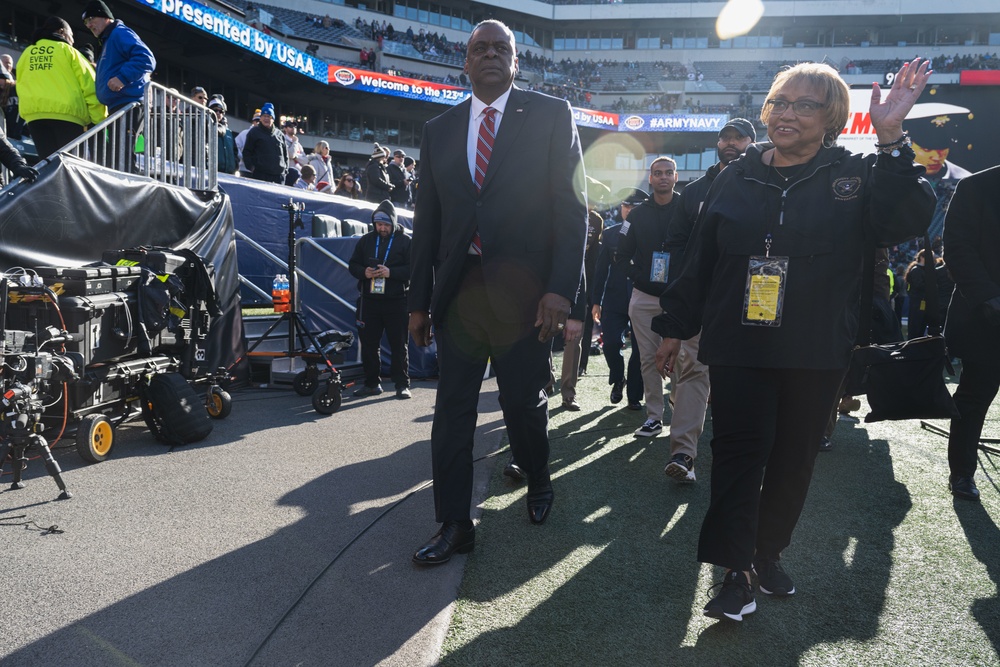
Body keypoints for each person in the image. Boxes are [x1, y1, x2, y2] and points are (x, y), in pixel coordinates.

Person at [653, 59, 935, 622]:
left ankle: (767, 552)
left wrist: (892, 136)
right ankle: (734, 573)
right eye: (780, 102)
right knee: (736, 454)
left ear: (830, 117)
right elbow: (701, 257)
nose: (787, 114)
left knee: (793, 457)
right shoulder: (735, 175)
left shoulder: (854, 174)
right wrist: (673, 327)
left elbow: (907, 217)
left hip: (815, 348)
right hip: (739, 344)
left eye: (805, 105)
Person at [408, 19, 587, 564]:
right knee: (452, 412)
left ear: (515, 61)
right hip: (459, 293)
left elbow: (572, 209)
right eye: (478, 48)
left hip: (526, 295)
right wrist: (418, 300)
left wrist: (560, 290)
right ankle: (455, 523)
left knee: (521, 402)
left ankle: (537, 476)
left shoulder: (551, 115)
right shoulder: (439, 129)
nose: (489, 54)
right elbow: (429, 223)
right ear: (464, 63)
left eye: (500, 47)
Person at [660, 118, 755, 482]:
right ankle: (683, 454)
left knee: (743, 377)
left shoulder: (764, 182)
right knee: (694, 371)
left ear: (752, 141)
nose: (731, 143)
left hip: (750, 300)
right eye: (725, 137)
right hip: (703, 299)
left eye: (739, 137)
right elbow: (675, 243)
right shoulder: (696, 190)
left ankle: (739, 456)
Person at [942, 165, 1000, 502]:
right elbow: (957, 247)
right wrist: (986, 297)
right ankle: (961, 473)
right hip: (987, 317)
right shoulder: (975, 186)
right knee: (974, 398)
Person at [615, 156, 680, 438]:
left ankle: (680, 410)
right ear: (650, 179)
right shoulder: (637, 214)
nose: (663, 177)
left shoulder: (689, 210)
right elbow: (621, 256)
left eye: (668, 172)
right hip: (644, 297)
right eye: (657, 173)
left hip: (680, 298)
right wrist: (640, 278)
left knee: (684, 358)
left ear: (676, 177)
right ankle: (654, 416)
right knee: (647, 357)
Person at [15, 16, 107, 160]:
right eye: (71, 35)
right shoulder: (69, 52)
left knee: (50, 168)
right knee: (74, 168)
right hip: (68, 119)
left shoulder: (26, 54)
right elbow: (90, 87)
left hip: (35, 119)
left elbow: (20, 84)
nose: (73, 40)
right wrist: (99, 121)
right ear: (62, 32)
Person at [349, 200, 412, 399]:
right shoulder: (366, 240)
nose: (382, 228)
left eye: (385, 224)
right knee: (369, 344)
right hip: (369, 301)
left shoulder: (405, 241)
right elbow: (352, 265)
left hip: (396, 300)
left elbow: (414, 270)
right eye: (379, 224)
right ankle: (371, 383)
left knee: (398, 344)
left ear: (393, 223)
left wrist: (390, 272)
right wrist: (363, 272)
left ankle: (402, 384)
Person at [592, 188, 645, 411]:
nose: (629, 210)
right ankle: (617, 378)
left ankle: (634, 395)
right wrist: (596, 301)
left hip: (642, 297)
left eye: (634, 206)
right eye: (625, 206)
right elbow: (600, 270)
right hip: (614, 301)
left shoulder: (651, 232)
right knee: (611, 343)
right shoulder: (611, 234)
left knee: (641, 350)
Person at [82, 1, 155, 114]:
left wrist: (123, 78)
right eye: (86, 22)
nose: (88, 25)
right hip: (118, 107)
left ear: (105, 16)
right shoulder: (108, 40)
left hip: (129, 106)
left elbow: (146, 58)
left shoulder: (119, 33)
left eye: (91, 18)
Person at [242, 102, 287, 184]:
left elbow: (285, 154)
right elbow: (246, 152)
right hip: (261, 175)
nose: (266, 118)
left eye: (269, 116)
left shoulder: (280, 134)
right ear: (260, 118)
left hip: (278, 176)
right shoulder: (253, 132)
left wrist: (285, 169)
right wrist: (252, 168)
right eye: (264, 116)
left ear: (273, 119)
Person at [207, 97, 238, 175]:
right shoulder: (206, 128)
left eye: (220, 111)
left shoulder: (229, 132)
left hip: (229, 173)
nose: (218, 113)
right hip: (212, 173)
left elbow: (235, 152)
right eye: (215, 110)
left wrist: (235, 165)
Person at [235, 109, 259, 177]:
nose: (258, 123)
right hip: (244, 170)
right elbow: (236, 147)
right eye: (256, 121)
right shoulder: (244, 133)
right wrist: (244, 159)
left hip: (259, 172)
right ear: (253, 121)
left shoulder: (265, 136)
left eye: (260, 121)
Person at [282, 120, 306, 186]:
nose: (293, 128)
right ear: (285, 128)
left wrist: (296, 157)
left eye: (295, 126)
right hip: (287, 175)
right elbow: (291, 154)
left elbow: (305, 160)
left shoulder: (298, 144)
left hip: (298, 177)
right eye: (290, 126)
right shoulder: (283, 140)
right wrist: (295, 142)